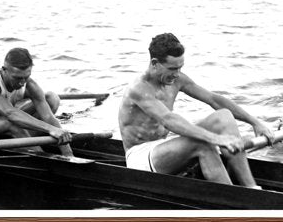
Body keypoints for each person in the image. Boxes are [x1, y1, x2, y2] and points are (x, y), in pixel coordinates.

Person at [118, 32, 275, 187]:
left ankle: (251, 188)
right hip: (140, 158)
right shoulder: (138, 89)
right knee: (203, 142)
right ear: (154, 63)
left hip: (162, 147)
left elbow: (214, 99)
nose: (177, 74)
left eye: (180, 67)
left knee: (224, 117)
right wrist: (217, 139)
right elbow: (168, 120)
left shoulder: (177, 79)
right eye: (172, 68)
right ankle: (233, 199)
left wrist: (255, 122)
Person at [0, 47, 73, 156]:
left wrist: (68, 152)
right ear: (4, 70)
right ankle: (42, 157)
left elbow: (48, 117)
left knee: (51, 98)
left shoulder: (28, 83)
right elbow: (10, 114)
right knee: (10, 121)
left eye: (26, 77)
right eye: (17, 78)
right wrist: (50, 129)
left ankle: (26, 142)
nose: (22, 83)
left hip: (5, 126)